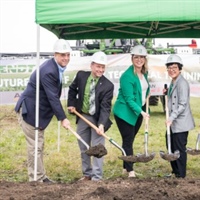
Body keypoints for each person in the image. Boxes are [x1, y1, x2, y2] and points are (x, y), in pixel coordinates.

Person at [15, 39, 72, 182]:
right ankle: (35, 179)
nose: (65, 58)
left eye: (67, 55)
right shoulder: (49, 71)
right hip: (30, 111)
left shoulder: (56, 68)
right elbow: (53, 97)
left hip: (38, 110)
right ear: (55, 55)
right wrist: (63, 118)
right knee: (35, 146)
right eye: (62, 55)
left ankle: (40, 176)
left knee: (39, 144)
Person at [67, 51, 114, 181]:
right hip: (82, 115)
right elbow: (72, 89)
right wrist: (71, 103)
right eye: (98, 66)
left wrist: (101, 124)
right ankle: (87, 174)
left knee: (98, 149)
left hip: (97, 118)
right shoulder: (81, 76)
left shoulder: (108, 85)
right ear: (92, 65)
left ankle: (97, 177)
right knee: (84, 146)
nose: (100, 70)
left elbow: (105, 107)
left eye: (103, 67)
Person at [113, 45, 150, 178]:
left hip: (137, 112)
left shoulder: (144, 73)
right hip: (124, 113)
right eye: (136, 57)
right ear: (132, 58)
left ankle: (125, 167)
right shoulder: (127, 76)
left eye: (141, 57)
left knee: (129, 140)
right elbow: (129, 99)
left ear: (145, 59)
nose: (139, 60)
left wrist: (145, 106)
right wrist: (141, 112)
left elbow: (144, 91)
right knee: (128, 140)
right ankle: (130, 171)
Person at [164, 54, 195, 178]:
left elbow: (182, 104)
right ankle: (175, 171)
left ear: (180, 69)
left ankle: (181, 175)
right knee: (170, 145)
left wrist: (171, 118)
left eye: (174, 67)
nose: (172, 70)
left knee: (179, 150)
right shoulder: (173, 82)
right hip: (174, 122)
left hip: (180, 123)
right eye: (169, 67)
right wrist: (166, 94)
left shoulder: (182, 83)